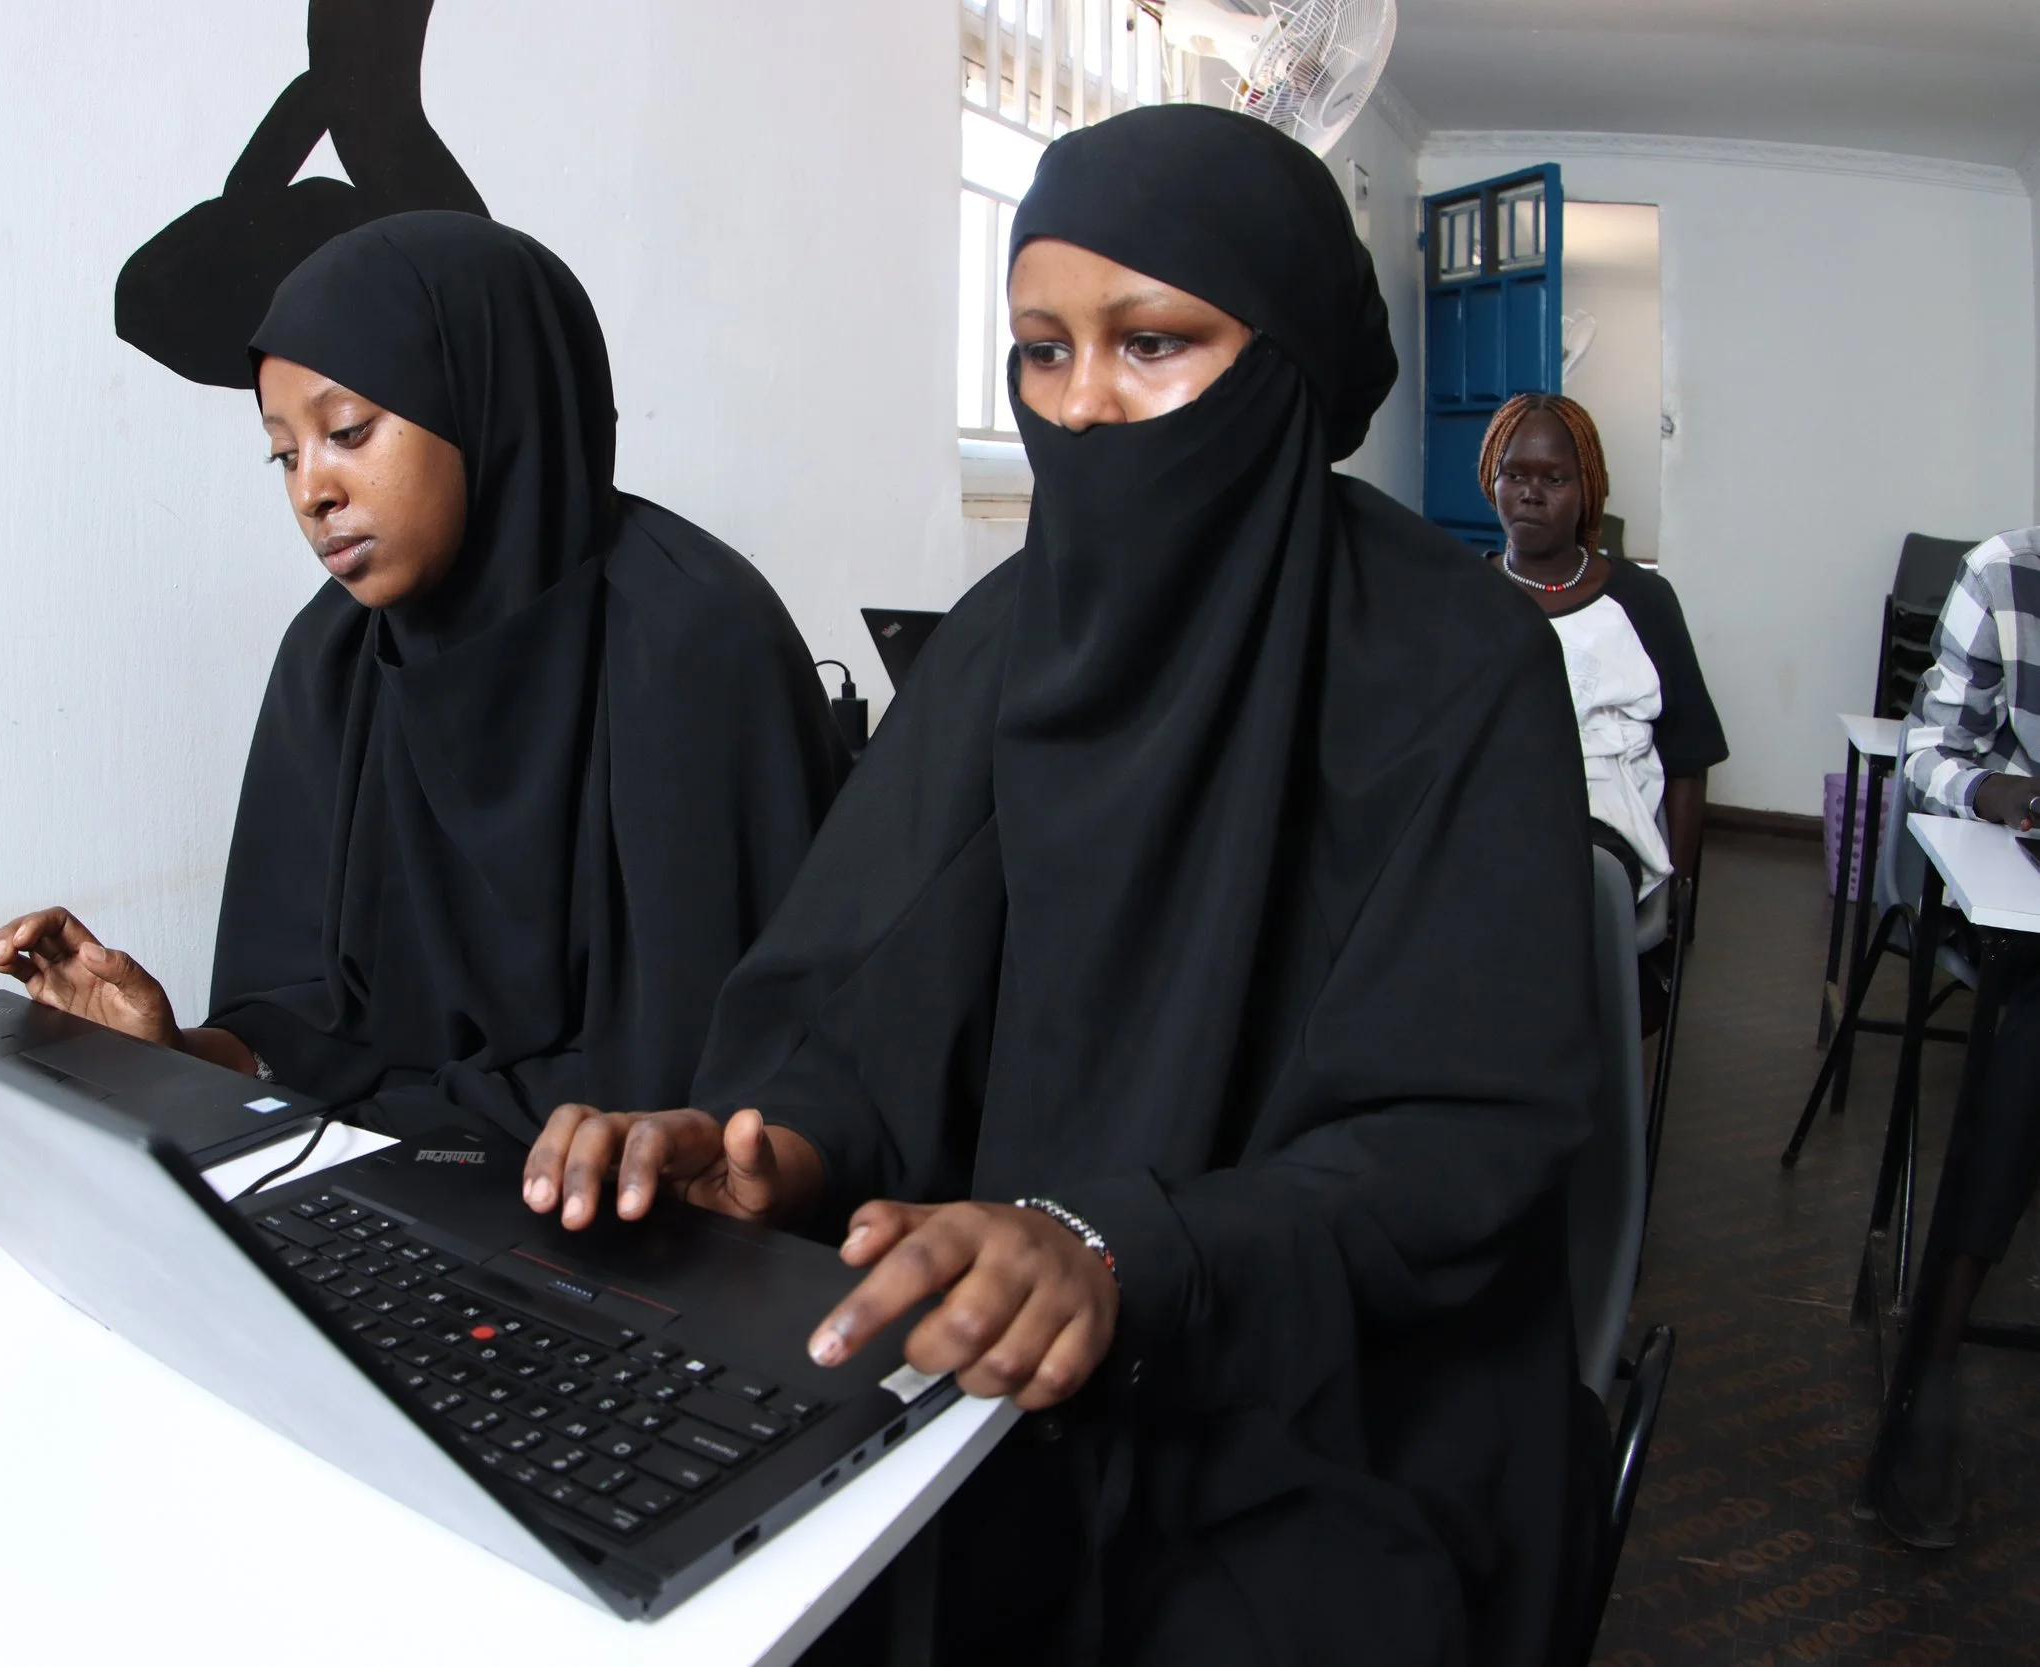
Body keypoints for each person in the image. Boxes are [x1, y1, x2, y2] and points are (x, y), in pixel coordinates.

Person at [523, 108, 1598, 1665]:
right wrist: (775, 1146)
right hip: (983, 1356)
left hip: (1330, 1392)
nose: (1083, 406)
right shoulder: (1009, 640)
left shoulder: (1457, 664)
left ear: (1285, 357)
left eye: (1152, 342)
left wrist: (1122, 1252)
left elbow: (1459, 1138)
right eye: (1040, 349)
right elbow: (873, 983)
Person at [0, 213, 847, 1140]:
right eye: (284, 452)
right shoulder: (333, 656)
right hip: (392, 1189)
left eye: (348, 429)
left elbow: (698, 1084)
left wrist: (372, 1130)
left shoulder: (693, 640)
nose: (311, 488)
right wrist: (183, 1056)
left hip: (644, 1226)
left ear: (490, 402)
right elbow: (310, 1021)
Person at [1873, 524, 2040, 1548]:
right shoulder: (2006, 573)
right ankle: (1933, 1357)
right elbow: (1928, 748)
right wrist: (2000, 789)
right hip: (2019, 892)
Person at [1482, 393, 1727, 903]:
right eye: (1515, 475)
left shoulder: (1642, 601)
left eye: (1554, 479)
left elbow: (1688, 758)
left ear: (1586, 490)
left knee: (1540, 876)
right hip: (1482, 805)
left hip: (1596, 822)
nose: (1531, 493)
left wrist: (1683, 888)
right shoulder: (1462, 593)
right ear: (1492, 479)